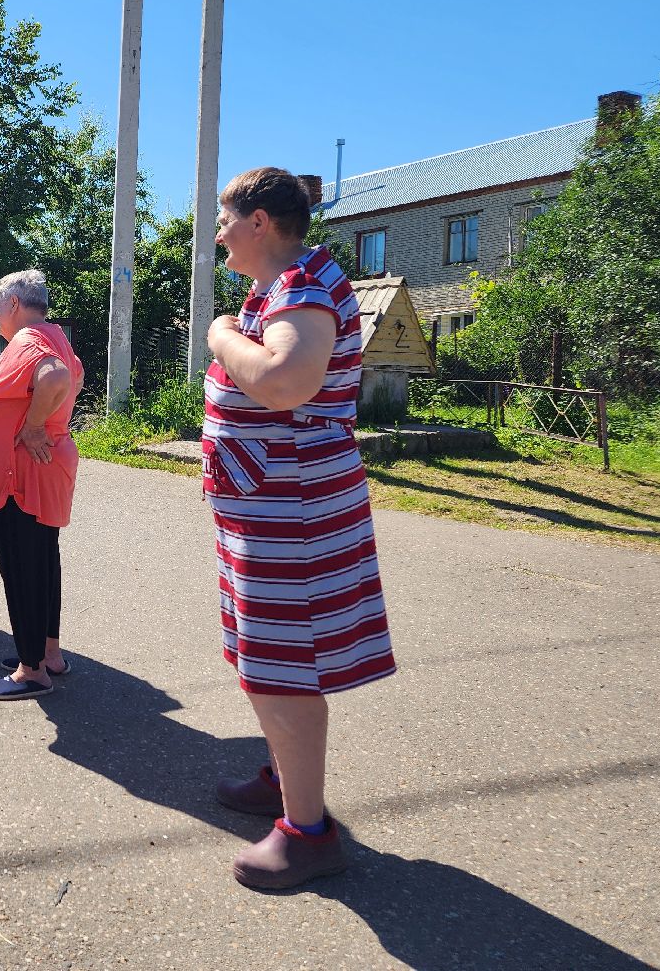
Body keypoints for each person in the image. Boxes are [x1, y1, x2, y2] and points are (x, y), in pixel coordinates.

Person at [203, 167, 396, 889]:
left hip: (294, 513)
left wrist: (221, 337)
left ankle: (308, 833)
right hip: (270, 507)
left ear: (259, 222)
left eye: (225, 219)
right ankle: (286, 782)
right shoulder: (281, 286)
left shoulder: (305, 286)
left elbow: (286, 382)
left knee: (282, 665)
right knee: (263, 655)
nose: (218, 233)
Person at [0, 270, 83, 700]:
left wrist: (32, 426)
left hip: (25, 471)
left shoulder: (29, 340)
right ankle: (48, 654)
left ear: (13, 304)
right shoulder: (55, 335)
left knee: (23, 567)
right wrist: (45, 420)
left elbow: (56, 378)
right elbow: (73, 376)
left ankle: (31, 671)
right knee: (43, 562)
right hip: (49, 465)